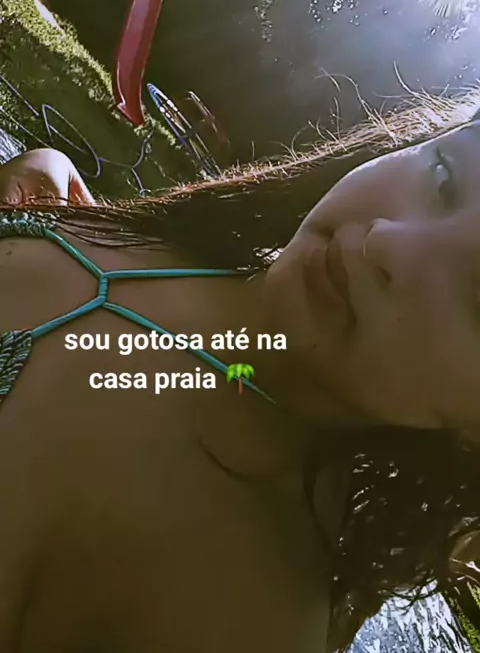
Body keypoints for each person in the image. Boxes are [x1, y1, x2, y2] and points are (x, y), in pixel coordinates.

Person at [1, 90, 480, 653]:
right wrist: (42, 192)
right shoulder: (192, 245)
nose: (388, 243)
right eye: (445, 178)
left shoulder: (230, 610)